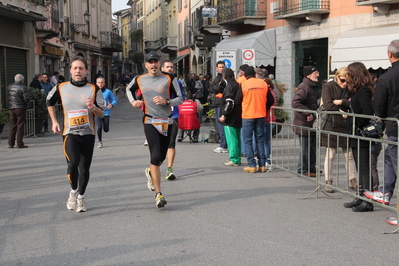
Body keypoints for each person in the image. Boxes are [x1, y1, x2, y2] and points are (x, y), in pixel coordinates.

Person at [46, 56, 105, 213]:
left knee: (84, 169)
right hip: (69, 133)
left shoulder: (94, 89)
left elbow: (101, 114)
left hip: (88, 134)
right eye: (75, 68)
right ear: (70, 70)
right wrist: (54, 121)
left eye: (81, 68)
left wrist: (93, 107)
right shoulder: (61, 87)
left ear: (86, 70)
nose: (78, 71)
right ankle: (73, 191)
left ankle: (81, 198)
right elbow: (49, 102)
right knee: (73, 164)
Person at [126, 52, 183, 208]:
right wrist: (133, 102)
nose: (153, 65)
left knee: (161, 157)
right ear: (146, 65)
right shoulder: (139, 79)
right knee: (155, 155)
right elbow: (129, 90)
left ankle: (151, 173)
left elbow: (181, 98)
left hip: (167, 121)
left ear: (159, 64)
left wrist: (167, 101)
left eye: (155, 62)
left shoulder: (169, 79)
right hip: (150, 120)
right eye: (150, 62)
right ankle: (159, 194)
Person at [365, 40, 399, 212]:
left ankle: (386, 192)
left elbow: (379, 106)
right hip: (394, 126)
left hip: (395, 127)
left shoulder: (386, 78)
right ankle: (385, 192)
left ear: (390, 54)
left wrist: (382, 118)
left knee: (393, 159)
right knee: (389, 159)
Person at [343, 62, 375, 212]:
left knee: (364, 168)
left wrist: (357, 122)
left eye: (349, 74)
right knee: (359, 166)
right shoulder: (356, 91)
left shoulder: (363, 91)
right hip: (355, 133)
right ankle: (360, 195)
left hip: (361, 133)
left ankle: (367, 200)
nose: (347, 76)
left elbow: (367, 112)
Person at [320, 67, 357, 193]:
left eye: (347, 81)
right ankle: (328, 181)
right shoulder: (328, 86)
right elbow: (327, 105)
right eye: (342, 80)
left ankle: (352, 179)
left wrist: (341, 101)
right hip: (331, 124)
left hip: (345, 124)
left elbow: (353, 103)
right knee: (330, 154)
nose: (345, 83)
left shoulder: (349, 88)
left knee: (349, 154)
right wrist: (341, 110)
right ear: (337, 76)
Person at [292, 66, 319, 177]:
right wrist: (308, 113)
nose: (318, 75)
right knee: (305, 148)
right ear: (308, 75)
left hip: (310, 123)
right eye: (315, 73)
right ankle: (302, 170)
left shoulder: (310, 87)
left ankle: (311, 169)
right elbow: (296, 103)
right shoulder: (304, 87)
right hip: (303, 123)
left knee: (311, 147)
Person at [161, 60, 185, 180]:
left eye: (171, 67)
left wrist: (170, 102)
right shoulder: (156, 81)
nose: (170, 69)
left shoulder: (177, 82)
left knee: (171, 143)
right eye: (167, 67)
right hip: (158, 116)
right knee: (160, 145)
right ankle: (154, 166)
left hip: (173, 115)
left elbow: (182, 97)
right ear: (162, 68)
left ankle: (169, 169)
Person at [241, 66, 268, 173]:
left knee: (247, 141)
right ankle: (262, 165)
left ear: (245, 76)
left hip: (248, 114)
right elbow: (270, 99)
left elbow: (238, 98)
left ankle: (252, 165)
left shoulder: (244, 84)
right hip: (261, 114)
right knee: (260, 140)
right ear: (254, 74)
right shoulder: (263, 83)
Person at [219, 68, 242, 167]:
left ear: (224, 77)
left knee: (231, 138)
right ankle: (237, 157)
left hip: (230, 117)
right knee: (236, 138)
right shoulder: (237, 85)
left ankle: (234, 159)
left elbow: (229, 102)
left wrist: (224, 114)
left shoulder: (229, 87)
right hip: (238, 115)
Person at [7, 74, 30, 149]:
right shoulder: (23, 87)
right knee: (20, 125)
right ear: (22, 80)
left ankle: (11, 143)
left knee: (12, 125)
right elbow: (26, 99)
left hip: (12, 107)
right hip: (20, 107)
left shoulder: (9, 87)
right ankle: (19, 143)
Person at [209, 61, 227, 153]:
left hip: (221, 103)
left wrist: (216, 88)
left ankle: (223, 145)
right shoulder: (217, 78)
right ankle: (223, 144)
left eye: (223, 67)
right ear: (216, 68)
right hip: (216, 103)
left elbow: (219, 88)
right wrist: (216, 88)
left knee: (221, 125)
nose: (221, 68)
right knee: (219, 124)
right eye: (220, 67)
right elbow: (211, 88)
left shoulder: (225, 78)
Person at [95, 77, 117, 148]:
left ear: (104, 83)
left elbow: (114, 99)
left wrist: (112, 104)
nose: (100, 84)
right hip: (97, 112)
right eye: (98, 82)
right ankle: (100, 142)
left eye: (102, 82)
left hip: (106, 112)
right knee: (99, 127)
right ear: (96, 83)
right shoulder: (94, 92)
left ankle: (106, 127)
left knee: (106, 129)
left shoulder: (108, 92)